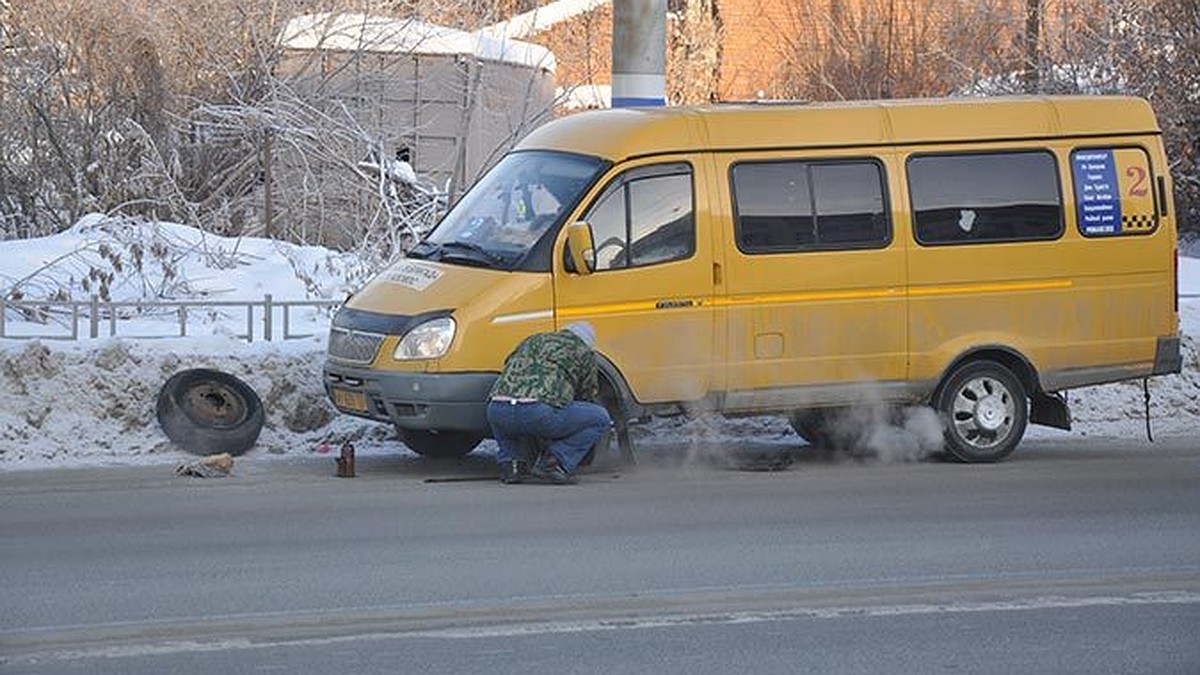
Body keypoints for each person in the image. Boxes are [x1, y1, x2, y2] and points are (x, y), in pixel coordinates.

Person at [487, 322, 612, 485]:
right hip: (537, 412)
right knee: (599, 418)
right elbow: (587, 394)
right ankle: (555, 462)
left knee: (506, 419)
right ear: (587, 341)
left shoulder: (533, 339)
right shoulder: (583, 351)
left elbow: (508, 362)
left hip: (497, 410)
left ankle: (511, 465)